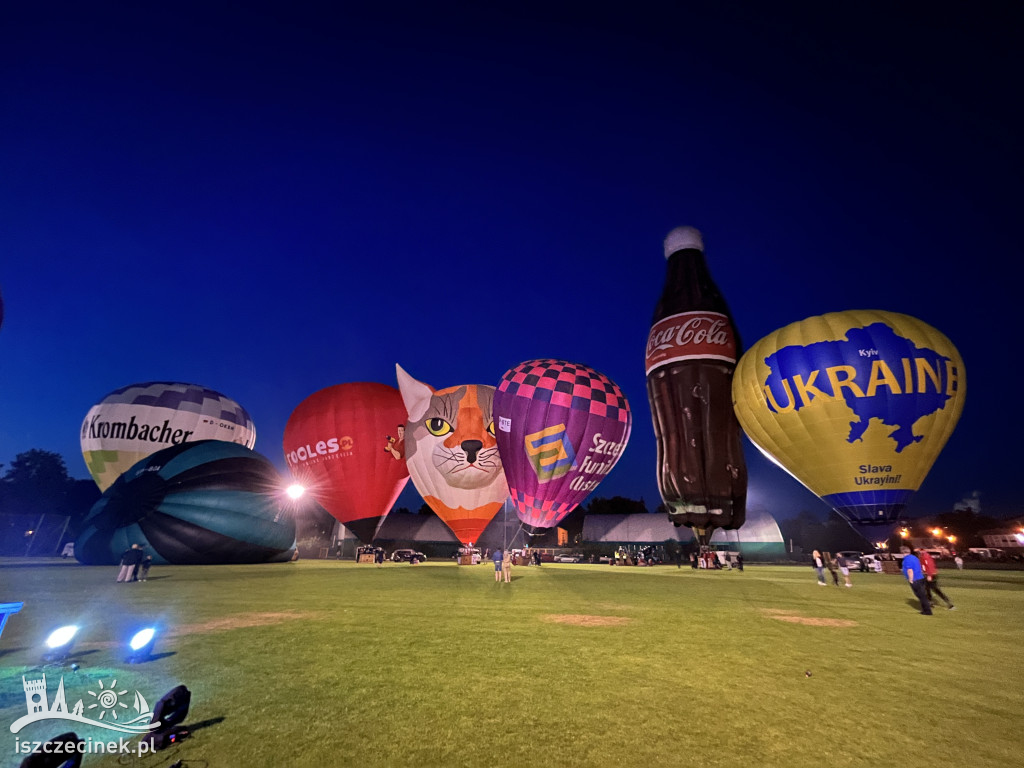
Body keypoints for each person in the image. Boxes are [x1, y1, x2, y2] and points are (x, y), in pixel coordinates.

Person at [903, 548, 933, 615]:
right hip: (920, 578)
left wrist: (910, 579)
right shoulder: (915, 557)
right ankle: (925, 609)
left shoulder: (907, 559)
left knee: (921, 595)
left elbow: (910, 570)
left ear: (904, 552)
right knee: (922, 595)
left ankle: (927, 611)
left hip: (915, 579)